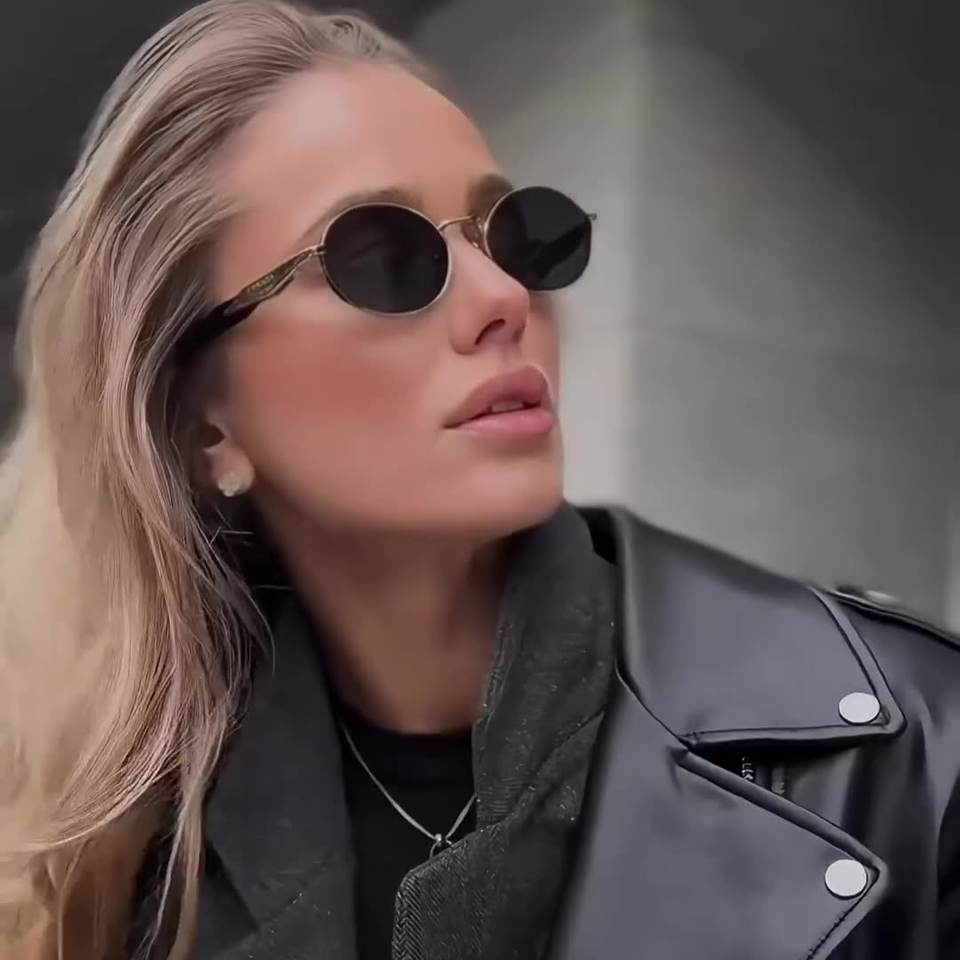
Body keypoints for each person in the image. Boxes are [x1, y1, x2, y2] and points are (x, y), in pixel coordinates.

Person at [0, 2, 958, 958]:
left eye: (515, 236)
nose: (505, 297)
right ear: (201, 422)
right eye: (381, 257)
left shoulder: (915, 752)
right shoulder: (118, 856)